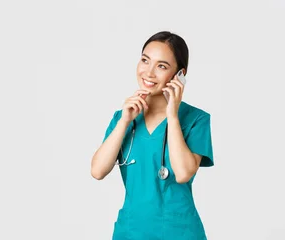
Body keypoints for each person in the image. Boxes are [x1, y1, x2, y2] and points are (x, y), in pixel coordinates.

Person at [90, 31, 214, 240]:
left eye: (162, 66)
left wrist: (172, 116)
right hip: (130, 231)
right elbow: (97, 171)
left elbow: (183, 173)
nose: (149, 72)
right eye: (145, 60)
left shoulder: (196, 119)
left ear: (179, 74)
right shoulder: (123, 118)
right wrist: (124, 122)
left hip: (179, 232)